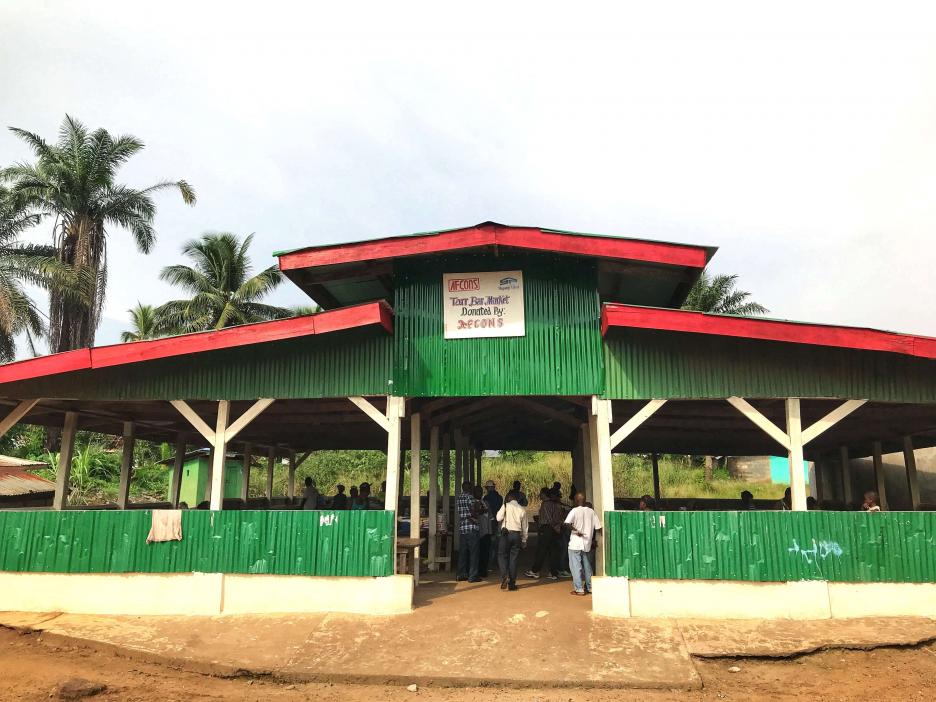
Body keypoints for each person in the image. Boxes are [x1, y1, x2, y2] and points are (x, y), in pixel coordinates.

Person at [564, 492, 601, 596]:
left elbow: (566, 524)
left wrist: (576, 531)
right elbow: (598, 527)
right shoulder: (591, 512)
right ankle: (590, 588)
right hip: (587, 544)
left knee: (576, 567)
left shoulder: (574, 511)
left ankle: (579, 589)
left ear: (576, 500)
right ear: (584, 500)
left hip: (575, 543)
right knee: (588, 567)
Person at [525, 488, 563, 580]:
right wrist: (556, 528)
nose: (539, 495)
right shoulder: (555, 504)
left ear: (544, 494)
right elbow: (558, 517)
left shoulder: (545, 504)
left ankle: (535, 571)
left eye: (541, 493)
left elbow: (549, 519)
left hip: (546, 529)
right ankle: (553, 573)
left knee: (541, 550)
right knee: (552, 551)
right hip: (553, 530)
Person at [496, 490, 529, 591]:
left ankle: (504, 576)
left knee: (502, 555)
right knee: (513, 559)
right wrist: (524, 540)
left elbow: (498, 518)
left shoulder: (506, 506)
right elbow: (525, 526)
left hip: (505, 534)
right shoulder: (522, 509)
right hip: (516, 535)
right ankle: (512, 584)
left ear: (509, 498)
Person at [456, 480, 482, 582]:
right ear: (469, 488)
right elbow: (474, 510)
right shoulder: (470, 497)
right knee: (474, 553)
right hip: (471, 527)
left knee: (463, 552)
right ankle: (473, 576)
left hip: (462, 527)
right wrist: (478, 510)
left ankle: (461, 574)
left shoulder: (459, 497)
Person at [473, 486, 492, 578]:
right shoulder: (473, 503)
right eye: (477, 492)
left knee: (486, 552)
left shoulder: (486, 502)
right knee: (478, 552)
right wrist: (483, 510)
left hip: (487, 531)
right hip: (478, 532)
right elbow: (475, 513)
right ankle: (478, 571)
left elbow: (490, 516)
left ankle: (484, 570)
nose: (480, 493)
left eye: (481, 491)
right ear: (474, 493)